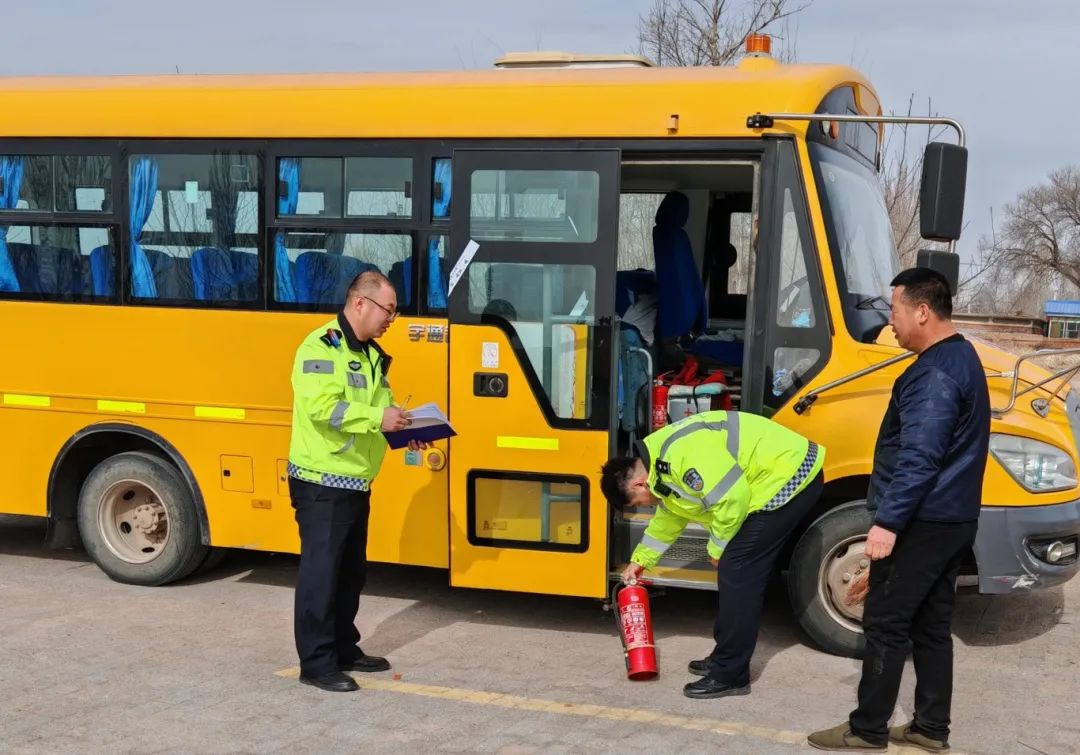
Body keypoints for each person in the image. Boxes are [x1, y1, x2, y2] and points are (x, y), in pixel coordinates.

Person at [808, 268, 990, 752]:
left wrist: (887, 523)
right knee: (932, 625)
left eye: (895, 311)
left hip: (921, 520)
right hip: (952, 518)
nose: (890, 324)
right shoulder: (962, 357)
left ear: (923, 311)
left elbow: (920, 456)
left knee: (885, 623)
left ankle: (866, 730)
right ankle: (930, 727)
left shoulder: (932, 373)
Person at [601, 410, 825, 699]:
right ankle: (724, 656)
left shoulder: (680, 456)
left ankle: (731, 674)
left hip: (789, 475)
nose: (647, 505)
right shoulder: (660, 469)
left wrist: (717, 548)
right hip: (773, 478)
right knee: (734, 570)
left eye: (640, 502)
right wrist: (641, 560)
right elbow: (669, 518)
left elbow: (732, 498)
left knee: (737, 571)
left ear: (638, 484)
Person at [287, 270, 428, 693]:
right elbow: (320, 408)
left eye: (396, 312)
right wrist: (376, 418)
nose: (392, 319)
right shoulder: (320, 345)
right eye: (389, 310)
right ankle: (316, 663)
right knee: (322, 575)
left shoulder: (369, 354)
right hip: (321, 481)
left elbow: (381, 407)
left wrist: (404, 430)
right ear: (360, 303)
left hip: (354, 481)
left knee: (350, 574)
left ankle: (344, 648)